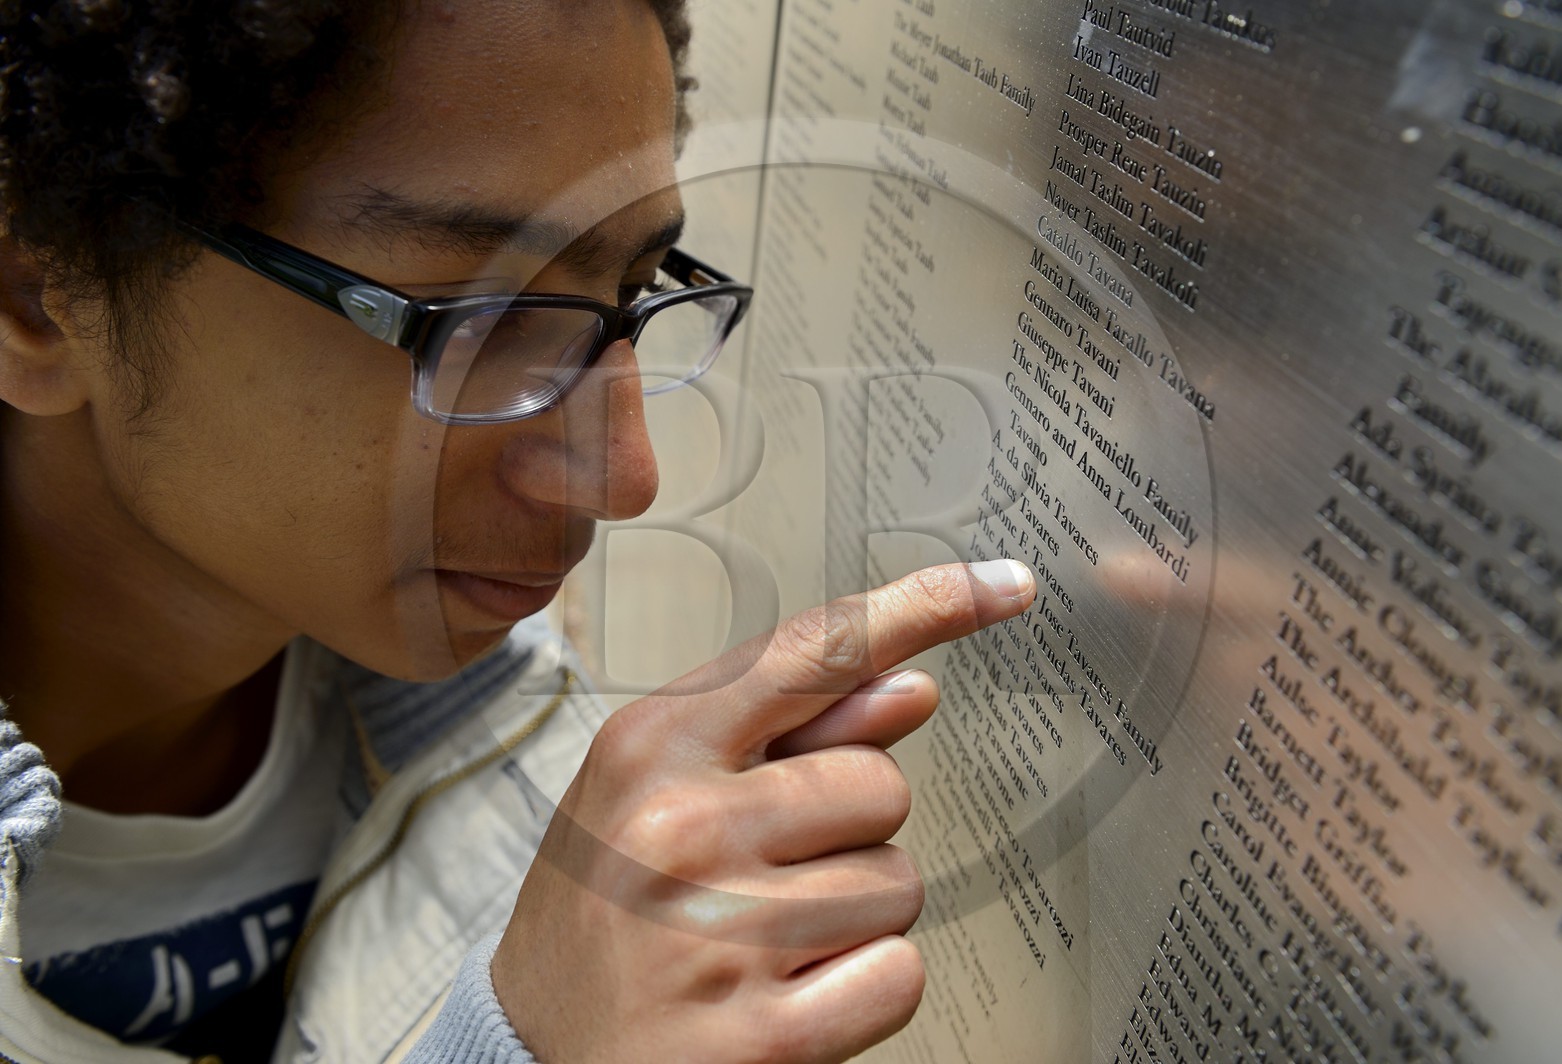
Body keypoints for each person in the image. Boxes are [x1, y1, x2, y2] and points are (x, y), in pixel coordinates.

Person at [0, 0, 1037, 1060]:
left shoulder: (493, 740)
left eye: (631, 290)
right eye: (477, 319)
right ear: (38, 296)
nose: (624, 476)